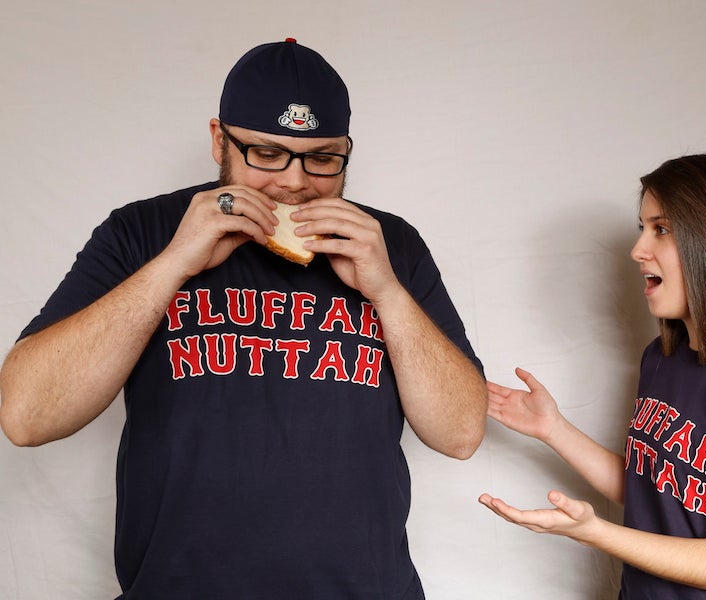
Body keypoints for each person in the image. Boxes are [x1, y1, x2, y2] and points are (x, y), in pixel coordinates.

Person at [0, 39, 487, 599]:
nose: (294, 181)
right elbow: (27, 417)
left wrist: (387, 291)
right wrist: (174, 265)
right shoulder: (144, 231)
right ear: (218, 140)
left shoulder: (389, 245)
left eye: (322, 158)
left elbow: (459, 433)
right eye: (266, 153)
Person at [479, 154, 706, 598]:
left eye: (661, 229)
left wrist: (594, 532)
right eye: (643, 227)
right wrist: (553, 429)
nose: (637, 250)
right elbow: (651, 492)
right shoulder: (663, 357)